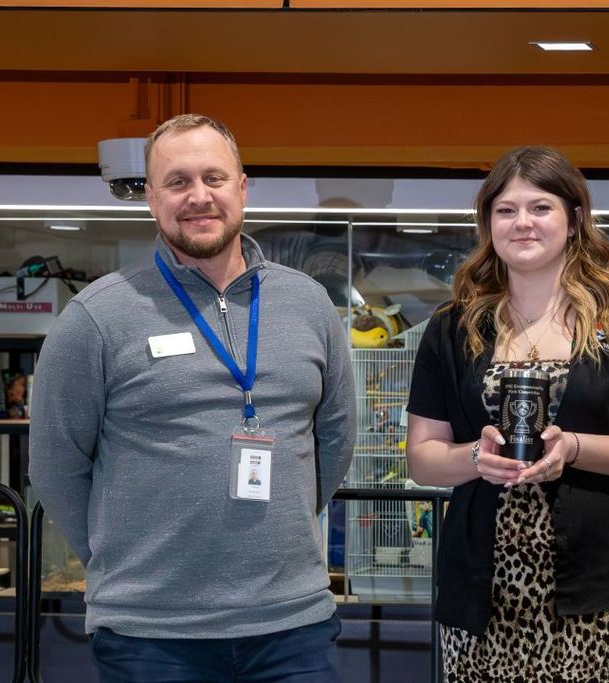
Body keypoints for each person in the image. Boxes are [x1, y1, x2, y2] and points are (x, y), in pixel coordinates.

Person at [29, 113, 355, 682]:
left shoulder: (309, 304)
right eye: (177, 182)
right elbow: (55, 466)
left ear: (243, 187)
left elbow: (336, 438)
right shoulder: (96, 317)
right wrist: (124, 562)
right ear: (152, 198)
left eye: (214, 178)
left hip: (292, 626)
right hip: (151, 635)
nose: (198, 197)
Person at [405, 146, 609, 682]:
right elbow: (422, 459)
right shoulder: (453, 327)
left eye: (540, 207)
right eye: (506, 210)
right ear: (488, 224)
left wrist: (574, 448)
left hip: (598, 590)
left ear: (574, 219)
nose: (522, 223)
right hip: (482, 599)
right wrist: (474, 458)